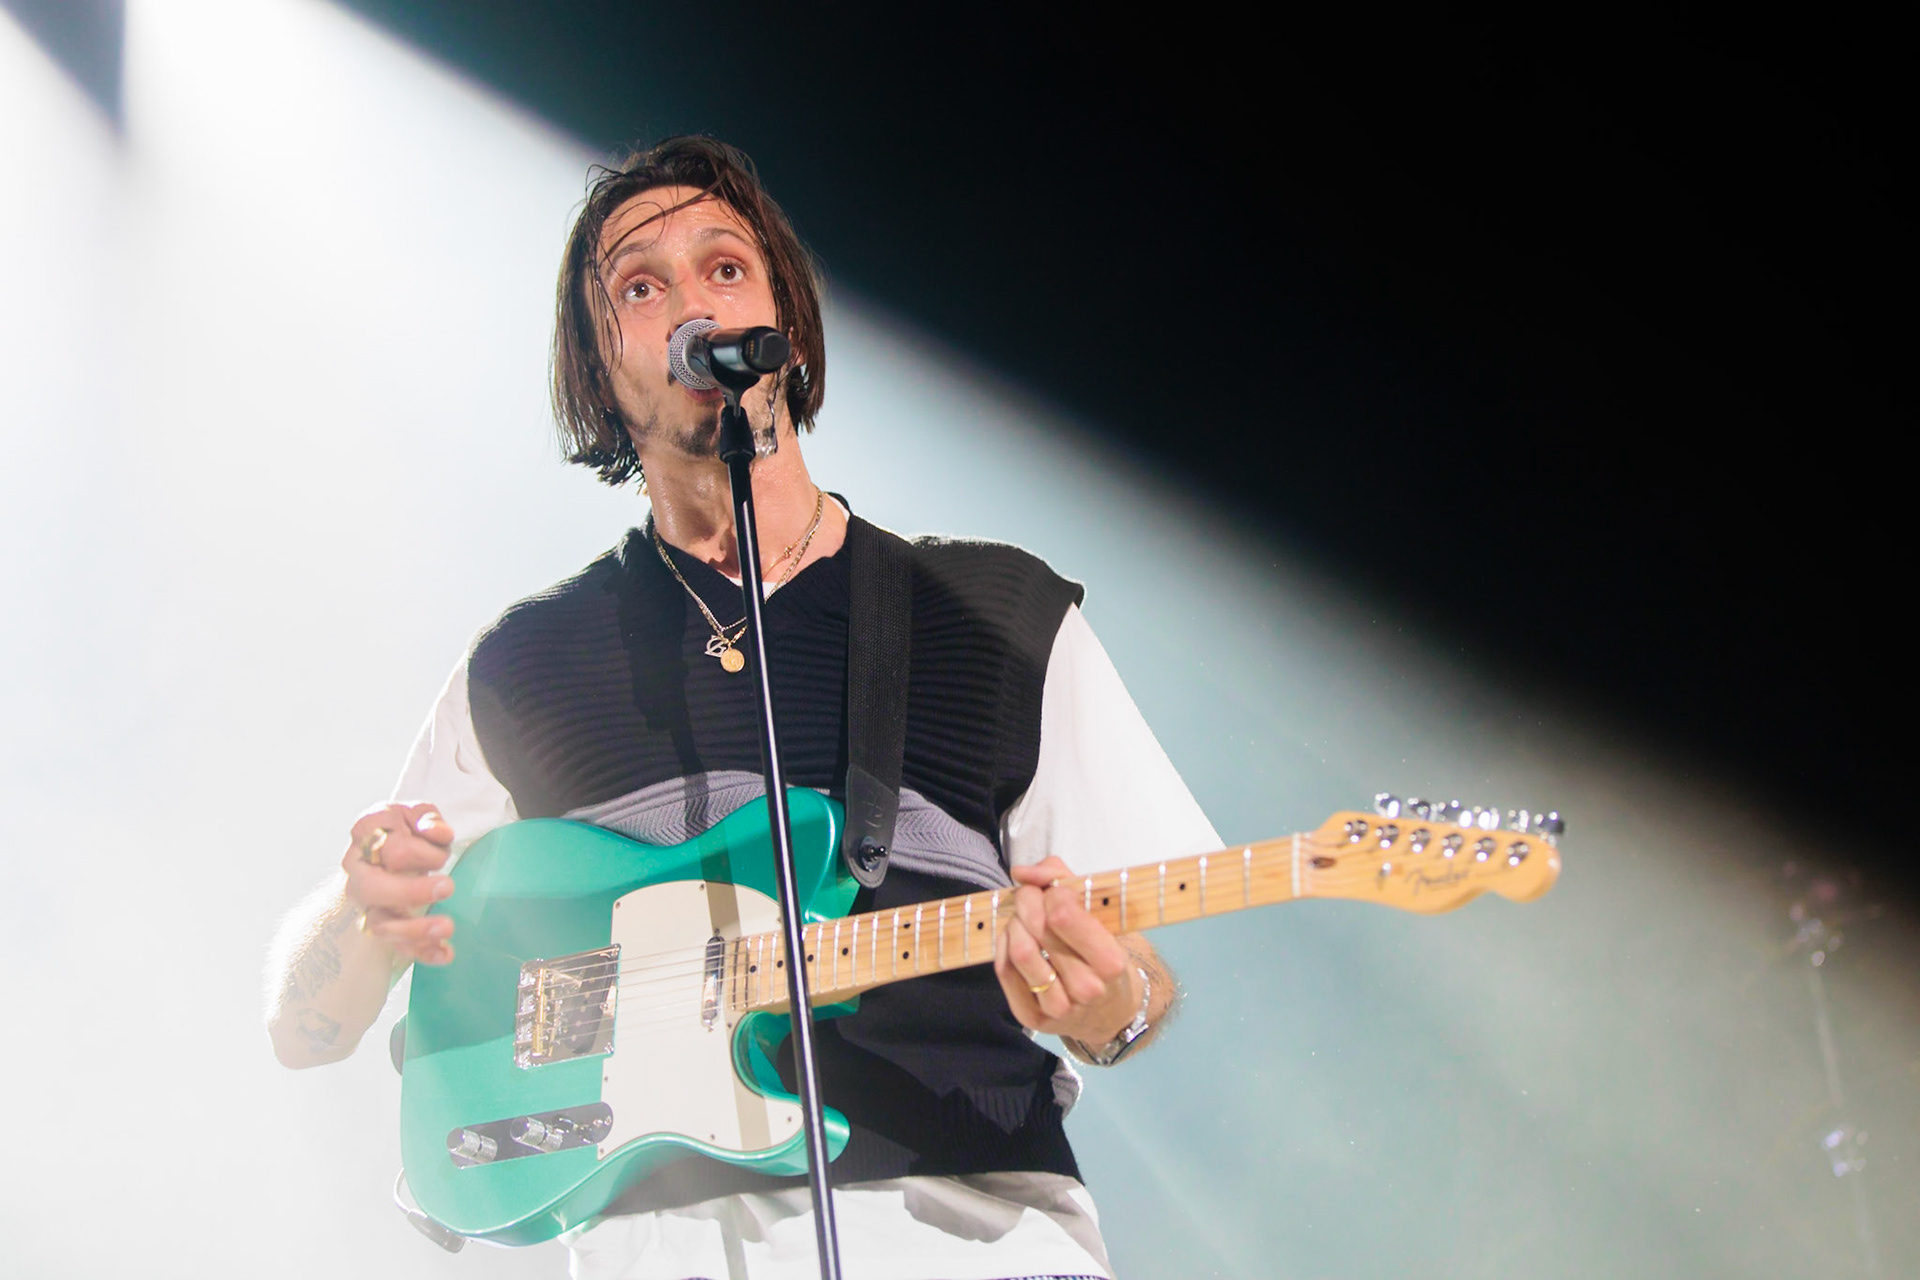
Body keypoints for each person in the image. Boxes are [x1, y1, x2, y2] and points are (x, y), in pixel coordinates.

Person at [265, 136, 1220, 1280]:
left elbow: (1137, 979)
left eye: (726, 268)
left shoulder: (995, 608)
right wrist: (362, 919)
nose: (690, 302)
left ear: (789, 329)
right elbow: (302, 1024)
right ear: (597, 369)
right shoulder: (523, 664)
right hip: (651, 1241)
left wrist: (1107, 1002)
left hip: (974, 1229)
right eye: (639, 284)